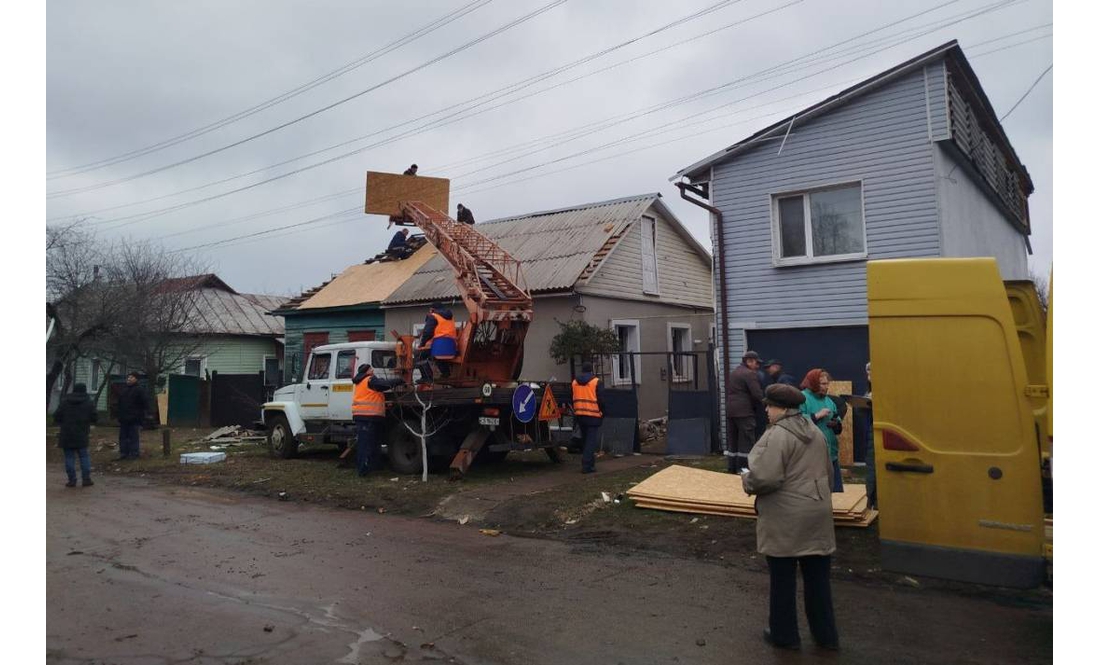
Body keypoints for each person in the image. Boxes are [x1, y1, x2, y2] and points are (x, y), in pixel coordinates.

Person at [742, 383, 840, 651]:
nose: (766, 409)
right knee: (818, 581)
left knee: (783, 580)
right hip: (817, 513)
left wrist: (746, 480)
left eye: (769, 405)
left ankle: (784, 635)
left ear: (782, 409)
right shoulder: (814, 432)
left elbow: (765, 478)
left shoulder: (776, 435)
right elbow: (828, 474)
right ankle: (826, 636)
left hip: (787, 517)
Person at [351, 364, 402, 476]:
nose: (373, 370)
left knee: (372, 444)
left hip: (366, 416)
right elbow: (383, 384)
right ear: (367, 371)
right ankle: (363, 470)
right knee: (367, 444)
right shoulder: (370, 380)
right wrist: (399, 380)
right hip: (368, 416)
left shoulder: (361, 381)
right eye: (371, 369)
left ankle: (371, 467)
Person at [799, 369, 842, 492]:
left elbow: (838, 424)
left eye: (827, 383)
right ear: (812, 383)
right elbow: (797, 422)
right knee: (816, 492)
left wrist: (836, 424)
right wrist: (816, 416)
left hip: (831, 454)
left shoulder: (828, 401)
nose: (826, 387)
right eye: (823, 384)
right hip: (812, 455)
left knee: (834, 492)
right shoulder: (802, 398)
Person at [726, 350, 764, 473]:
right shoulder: (749, 374)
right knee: (747, 440)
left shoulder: (734, 372)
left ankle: (732, 467)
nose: (757, 367)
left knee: (733, 440)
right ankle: (744, 469)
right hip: (745, 412)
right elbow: (757, 394)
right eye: (756, 363)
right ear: (749, 361)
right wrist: (768, 403)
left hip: (731, 411)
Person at [54, 383, 98, 487]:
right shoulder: (88, 402)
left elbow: (57, 416)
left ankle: (72, 480)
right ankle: (86, 479)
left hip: (66, 433)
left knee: (69, 457)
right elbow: (95, 417)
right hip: (82, 433)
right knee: (84, 456)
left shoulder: (65, 401)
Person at [572, 362, 606, 474]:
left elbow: (572, 397)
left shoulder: (574, 382)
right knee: (590, 442)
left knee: (585, 440)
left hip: (580, 415)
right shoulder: (596, 382)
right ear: (592, 370)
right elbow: (601, 400)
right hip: (593, 415)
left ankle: (591, 464)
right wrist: (603, 412)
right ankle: (587, 465)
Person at [416, 303, 457, 383]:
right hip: (451, 347)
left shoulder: (433, 316)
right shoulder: (450, 318)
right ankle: (446, 374)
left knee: (419, 355)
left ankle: (427, 377)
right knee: (439, 358)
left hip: (439, 346)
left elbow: (427, 333)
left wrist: (422, 344)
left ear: (432, 309)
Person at [116, 372, 148, 460]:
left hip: (134, 418)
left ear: (136, 379)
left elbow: (145, 403)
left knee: (133, 437)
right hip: (124, 418)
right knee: (123, 437)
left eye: (131, 377)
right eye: (128, 377)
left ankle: (134, 453)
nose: (129, 379)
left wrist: (142, 416)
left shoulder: (139, 390)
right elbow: (120, 403)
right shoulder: (124, 390)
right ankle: (124, 453)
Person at [863, 362, 876, 509]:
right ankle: (871, 500)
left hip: (880, 430)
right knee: (871, 467)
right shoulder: (869, 390)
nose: (868, 376)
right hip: (872, 431)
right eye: (867, 373)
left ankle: (874, 500)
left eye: (871, 372)